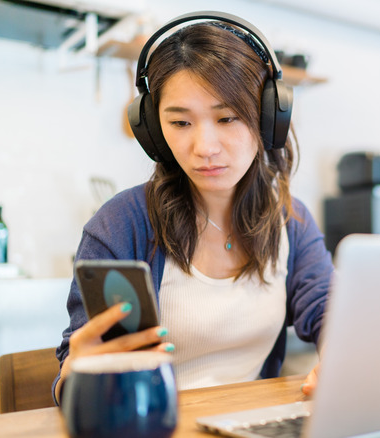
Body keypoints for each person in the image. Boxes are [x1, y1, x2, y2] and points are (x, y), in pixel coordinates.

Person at [53, 13, 332, 404]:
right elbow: (77, 370)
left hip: (251, 426)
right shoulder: (121, 224)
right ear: (153, 129)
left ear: (269, 117)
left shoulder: (290, 219)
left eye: (227, 117)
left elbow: (327, 310)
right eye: (181, 123)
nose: (205, 147)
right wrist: (75, 377)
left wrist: (342, 355)